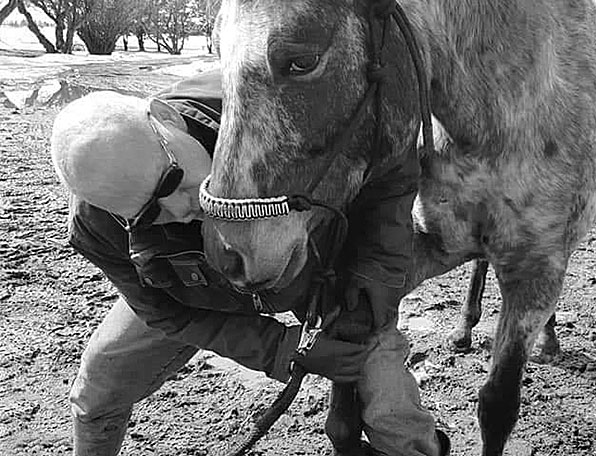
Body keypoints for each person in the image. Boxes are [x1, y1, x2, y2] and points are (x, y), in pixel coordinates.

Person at [51, 69, 449, 456]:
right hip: (201, 295)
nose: (180, 208)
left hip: (319, 269)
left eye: (171, 181)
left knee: (392, 415)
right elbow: (166, 314)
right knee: (97, 391)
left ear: (166, 118)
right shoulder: (97, 223)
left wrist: (366, 286)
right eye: (147, 215)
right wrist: (284, 349)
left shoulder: (281, 104)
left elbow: (389, 181)